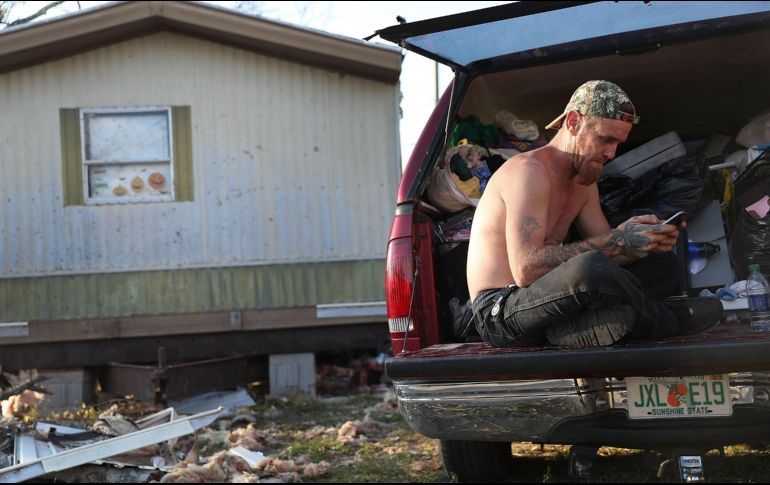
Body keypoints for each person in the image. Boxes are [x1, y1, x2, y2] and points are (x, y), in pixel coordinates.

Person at [467, 80, 722, 348]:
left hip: (551, 300)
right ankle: (665, 321)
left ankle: (577, 329)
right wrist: (617, 240)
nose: (611, 153)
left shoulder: (583, 182)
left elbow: (610, 253)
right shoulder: (529, 172)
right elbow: (526, 270)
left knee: (664, 265)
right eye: (605, 139)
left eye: (617, 143)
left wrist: (645, 242)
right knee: (590, 267)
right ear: (574, 122)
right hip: (502, 311)